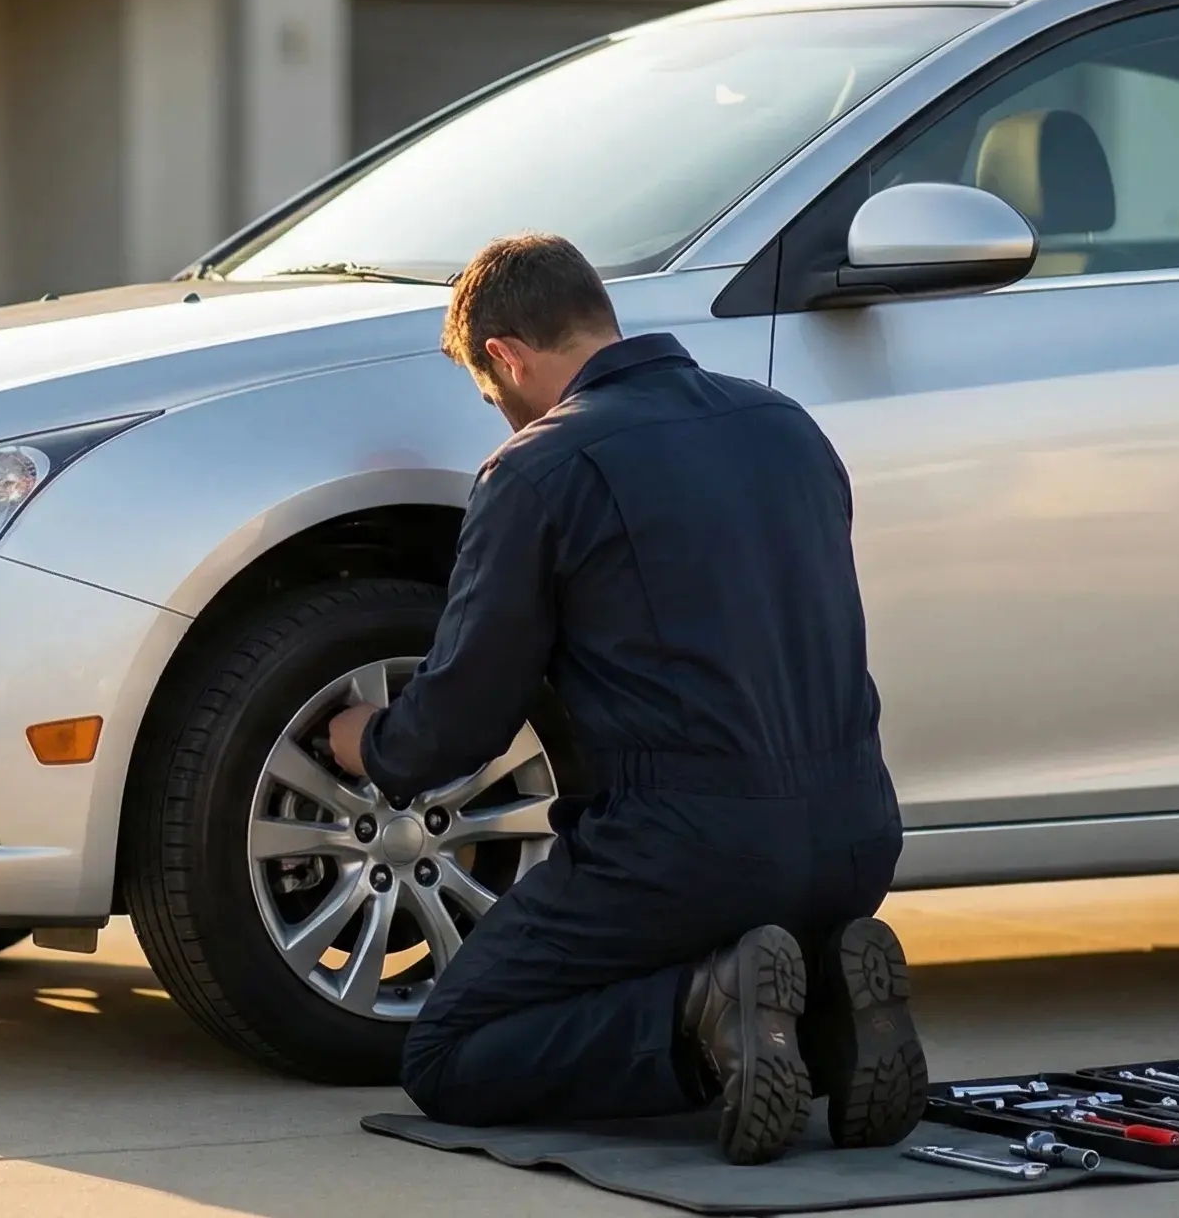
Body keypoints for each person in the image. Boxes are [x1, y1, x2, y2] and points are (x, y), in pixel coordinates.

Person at [326, 232, 924, 1164]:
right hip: (856, 835)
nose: (501, 415)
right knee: (712, 917)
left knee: (450, 1055)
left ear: (505, 357)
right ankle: (828, 1019)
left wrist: (372, 744)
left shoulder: (538, 468)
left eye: (493, 397)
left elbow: (468, 715)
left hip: (687, 849)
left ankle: (703, 1015)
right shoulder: (787, 427)